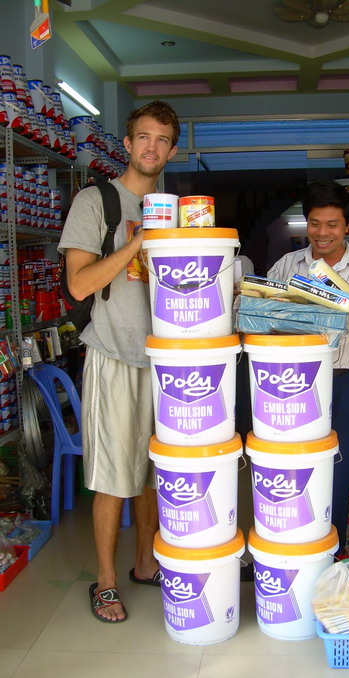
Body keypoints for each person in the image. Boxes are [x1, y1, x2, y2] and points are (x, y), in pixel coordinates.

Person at [58, 100, 180, 623]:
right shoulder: (97, 201)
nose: (152, 147)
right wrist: (137, 244)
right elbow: (79, 283)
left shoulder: (177, 209)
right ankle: (106, 582)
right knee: (113, 474)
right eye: (143, 137)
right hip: (113, 351)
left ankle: (146, 564)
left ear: (172, 151)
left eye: (162, 140)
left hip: (169, 360)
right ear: (128, 144)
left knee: (156, 471)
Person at [267, 181, 349, 549]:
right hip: (286, 384)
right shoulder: (287, 266)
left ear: (347, 227)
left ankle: (332, 552)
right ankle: (287, 547)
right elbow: (263, 323)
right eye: (314, 223)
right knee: (287, 469)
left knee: (337, 473)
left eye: (332, 225)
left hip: (339, 384)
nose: (321, 233)